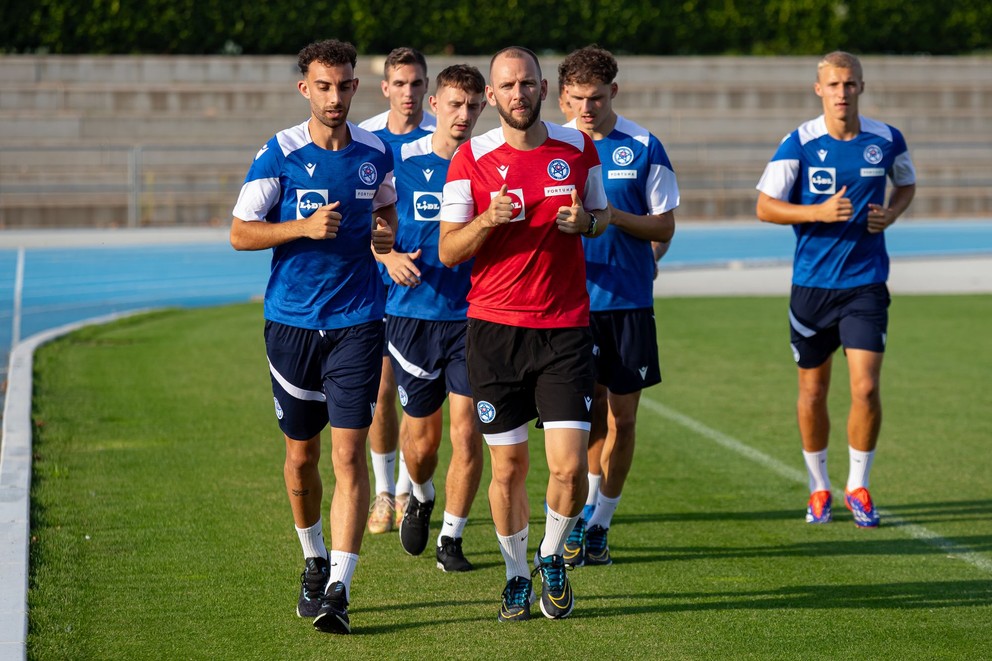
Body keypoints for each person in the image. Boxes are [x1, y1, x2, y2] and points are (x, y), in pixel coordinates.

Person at [230, 38, 397, 635]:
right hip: (292, 325)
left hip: (358, 322)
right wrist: (301, 226)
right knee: (300, 459)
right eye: (324, 86)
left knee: (349, 454)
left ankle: (339, 589)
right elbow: (239, 234)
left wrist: (385, 242)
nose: (335, 96)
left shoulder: (376, 153)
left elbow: (385, 212)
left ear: (356, 86)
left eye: (345, 85)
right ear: (305, 89)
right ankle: (312, 557)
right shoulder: (278, 153)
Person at [438, 46, 610, 622]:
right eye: (507, 86)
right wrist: (488, 219)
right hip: (493, 332)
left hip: (563, 328)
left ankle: (552, 556)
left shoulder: (578, 148)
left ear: (543, 88)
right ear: (492, 95)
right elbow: (447, 249)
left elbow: (601, 215)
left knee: (567, 468)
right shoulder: (470, 158)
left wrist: (584, 223)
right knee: (508, 469)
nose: (518, 94)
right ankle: (516, 573)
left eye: (528, 83)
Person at [755, 51, 916, 528]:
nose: (842, 92)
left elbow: (905, 184)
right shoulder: (799, 143)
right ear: (818, 89)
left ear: (861, 87)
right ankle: (819, 487)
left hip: (865, 285)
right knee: (813, 391)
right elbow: (765, 206)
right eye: (833, 85)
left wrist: (893, 212)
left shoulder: (886, 139)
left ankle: (858, 486)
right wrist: (816, 213)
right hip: (812, 288)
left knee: (865, 388)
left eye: (850, 84)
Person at [558, 45, 678, 566]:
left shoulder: (644, 144)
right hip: (567, 304)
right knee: (586, 421)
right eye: (578, 98)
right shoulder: (552, 144)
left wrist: (611, 217)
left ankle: (601, 522)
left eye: (597, 98)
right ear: (563, 95)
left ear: (614, 93)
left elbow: (664, 225)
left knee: (623, 420)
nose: (587, 108)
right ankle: (584, 512)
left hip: (627, 303)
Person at [377, 64, 487, 571]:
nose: (463, 115)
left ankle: (452, 538)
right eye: (454, 104)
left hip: (473, 316)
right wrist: (386, 257)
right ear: (435, 104)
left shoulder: (489, 164)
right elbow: (373, 226)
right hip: (412, 318)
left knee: (467, 431)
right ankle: (418, 494)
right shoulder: (400, 159)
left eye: (472, 106)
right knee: (421, 444)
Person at [358, 47, 437, 535]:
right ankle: (384, 492)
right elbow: (356, 216)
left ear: (427, 88)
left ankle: (409, 489)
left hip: (427, 294)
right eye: (400, 84)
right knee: (382, 392)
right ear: (385, 87)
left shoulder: (441, 138)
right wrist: (385, 255)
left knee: (414, 399)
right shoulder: (366, 140)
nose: (409, 93)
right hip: (373, 287)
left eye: (417, 84)